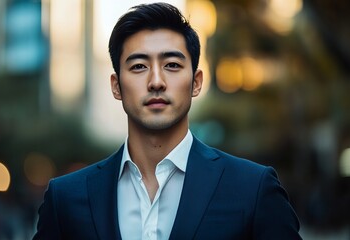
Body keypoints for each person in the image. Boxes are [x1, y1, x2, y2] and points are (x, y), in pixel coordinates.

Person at [33, 2, 301, 239]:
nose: (156, 82)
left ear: (196, 83)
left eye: (172, 65)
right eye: (139, 66)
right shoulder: (66, 198)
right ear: (116, 86)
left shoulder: (252, 189)